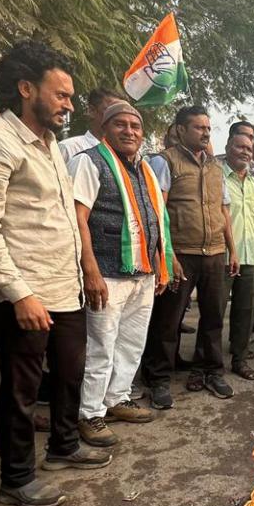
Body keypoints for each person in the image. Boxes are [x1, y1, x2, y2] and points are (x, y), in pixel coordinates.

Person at [0, 39, 112, 506]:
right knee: (22, 389)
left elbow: (65, 217)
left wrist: (87, 269)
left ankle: (64, 446)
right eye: (61, 95)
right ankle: (17, 477)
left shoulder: (48, 145)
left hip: (64, 286)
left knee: (69, 372)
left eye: (70, 97)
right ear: (27, 89)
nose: (69, 104)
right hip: (23, 293)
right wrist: (18, 293)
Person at [68, 101, 168, 447]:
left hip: (142, 273)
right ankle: (90, 413)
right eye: (121, 125)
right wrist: (90, 270)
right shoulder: (89, 161)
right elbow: (78, 218)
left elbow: (156, 219)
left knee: (130, 344)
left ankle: (117, 398)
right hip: (107, 273)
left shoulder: (145, 168)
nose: (129, 132)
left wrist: (162, 261)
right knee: (101, 346)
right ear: (105, 127)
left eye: (135, 126)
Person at [143, 105, 239, 404]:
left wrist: (232, 249)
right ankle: (158, 378)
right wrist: (167, 254)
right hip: (181, 254)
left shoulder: (215, 167)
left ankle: (210, 370)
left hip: (214, 253)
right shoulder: (164, 162)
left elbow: (223, 210)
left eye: (208, 128)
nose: (205, 133)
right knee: (168, 320)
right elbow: (158, 212)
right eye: (199, 127)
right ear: (180, 130)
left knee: (212, 318)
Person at [221, 131, 254, 380]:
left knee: (245, 312)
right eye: (239, 146)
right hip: (221, 256)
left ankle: (239, 359)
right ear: (228, 147)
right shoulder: (217, 177)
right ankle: (206, 364)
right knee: (214, 312)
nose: (245, 151)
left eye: (248, 149)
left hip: (251, 258)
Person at [58, 87, 123, 163]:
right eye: (110, 110)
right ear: (91, 111)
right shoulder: (69, 148)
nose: (118, 117)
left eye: (120, 112)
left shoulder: (123, 152)